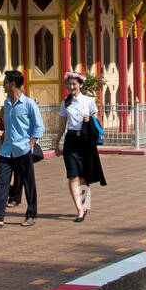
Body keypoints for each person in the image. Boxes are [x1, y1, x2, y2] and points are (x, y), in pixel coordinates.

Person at [0, 70, 42, 228]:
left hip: (22, 151)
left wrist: (30, 145)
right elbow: (4, 126)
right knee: (1, 183)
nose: (3, 85)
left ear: (13, 84)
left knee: (28, 183)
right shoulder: (7, 103)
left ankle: (31, 214)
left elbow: (39, 127)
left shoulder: (29, 104)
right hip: (6, 151)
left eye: (5, 82)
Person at [58, 72, 106, 222]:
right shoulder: (65, 102)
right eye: (69, 84)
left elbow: (97, 121)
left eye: (74, 84)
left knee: (84, 177)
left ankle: (85, 204)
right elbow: (62, 124)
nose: (71, 87)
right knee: (73, 175)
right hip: (71, 140)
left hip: (85, 140)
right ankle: (79, 209)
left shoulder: (89, 100)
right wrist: (57, 141)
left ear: (81, 85)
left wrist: (89, 118)